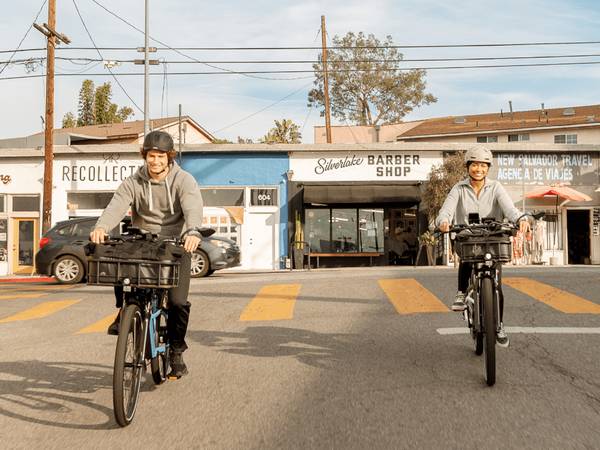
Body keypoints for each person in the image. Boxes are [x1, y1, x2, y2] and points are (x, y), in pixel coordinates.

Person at [90, 130, 203, 378]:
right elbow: (117, 205)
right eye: (152, 155)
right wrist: (101, 227)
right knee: (118, 261)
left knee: (177, 302)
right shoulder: (134, 182)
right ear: (145, 156)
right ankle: (125, 310)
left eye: (161, 156)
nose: (156, 161)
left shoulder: (183, 180)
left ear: (169, 157)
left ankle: (175, 350)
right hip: (143, 242)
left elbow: (193, 206)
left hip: (175, 244)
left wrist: (193, 231)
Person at [435, 147, 530, 348]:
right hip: (468, 238)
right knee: (467, 259)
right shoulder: (458, 189)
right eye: (475, 164)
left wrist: (520, 218)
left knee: (497, 284)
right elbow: (447, 210)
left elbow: (510, 209)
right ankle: (461, 292)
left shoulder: (496, 187)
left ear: (488, 168)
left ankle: (499, 325)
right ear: (468, 166)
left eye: (483, 165)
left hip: (493, 238)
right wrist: (443, 221)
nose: (479, 169)